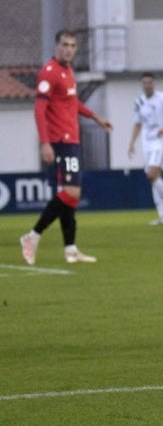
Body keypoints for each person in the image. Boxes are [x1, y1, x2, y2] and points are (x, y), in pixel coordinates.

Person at [19, 29, 113, 265]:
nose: (68, 49)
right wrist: (45, 142)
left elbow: (72, 102)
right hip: (60, 141)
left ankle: (71, 250)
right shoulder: (49, 73)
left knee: (70, 199)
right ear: (56, 46)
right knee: (72, 193)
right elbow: (39, 110)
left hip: (72, 139)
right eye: (64, 44)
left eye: (72, 45)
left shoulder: (68, 71)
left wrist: (96, 117)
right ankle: (32, 236)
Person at [127, 72, 163, 225]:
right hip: (146, 143)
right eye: (145, 83)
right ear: (142, 84)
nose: (147, 85)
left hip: (160, 142)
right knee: (155, 179)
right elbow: (138, 123)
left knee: (152, 174)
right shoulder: (139, 102)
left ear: (154, 83)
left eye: (150, 82)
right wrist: (132, 143)